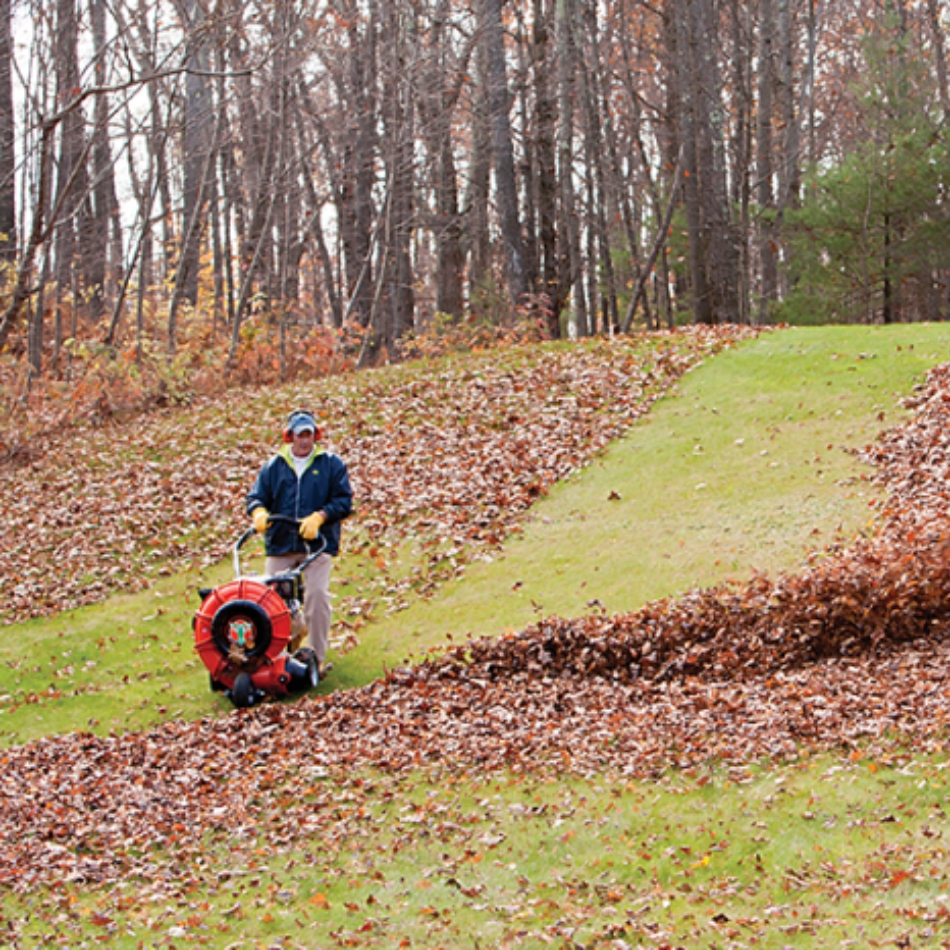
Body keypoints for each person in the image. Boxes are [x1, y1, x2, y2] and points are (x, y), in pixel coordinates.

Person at [246, 409, 353, 676]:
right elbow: (256, 496)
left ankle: (315, 658)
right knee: (268, 600)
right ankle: (270, 658)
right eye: (299, 435)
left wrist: (320, 517)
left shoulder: (331, 464)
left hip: (317, 546)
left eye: (309, 434)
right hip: (281, 543)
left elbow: (344, 500)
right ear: (289, 436)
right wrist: (258, 512)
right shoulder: (274, 467)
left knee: (316, 596)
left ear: (315, 435)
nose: (304, 440)